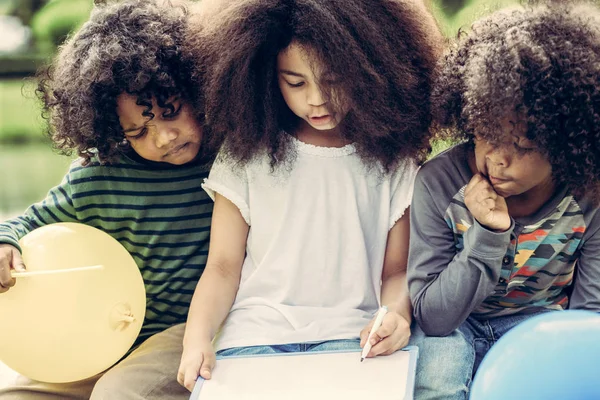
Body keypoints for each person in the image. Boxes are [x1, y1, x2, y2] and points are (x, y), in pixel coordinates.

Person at [177, 0, 443, 391]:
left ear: (372, 69)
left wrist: (395, 315)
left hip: (353, 338)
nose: (316, 98)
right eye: (295, 82)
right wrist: (197, 337)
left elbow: (396, 271)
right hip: (254, 337)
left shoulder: (395, 163)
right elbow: (222, 267)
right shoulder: (246, 154)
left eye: (333, 80)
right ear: (268, 77)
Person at [0, 1, 214, 399]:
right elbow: (28, 222)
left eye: (171, 112)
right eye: (139, 131)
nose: (163, 138)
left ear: (197, 87)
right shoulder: (98, 176)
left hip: (189, 332)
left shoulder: (229, 162)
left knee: (119, 393)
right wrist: (5, 243)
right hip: (102, 332)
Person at [407, 2, 600, 398]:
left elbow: (587, 326)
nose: (498, 158)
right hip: (457, 325)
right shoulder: (439, 185)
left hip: (542, 326)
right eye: (486, 132)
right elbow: (434, 318)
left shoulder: (589, 199)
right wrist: (488, 235)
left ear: (568, 147)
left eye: (524, 146)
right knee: (436, 381)